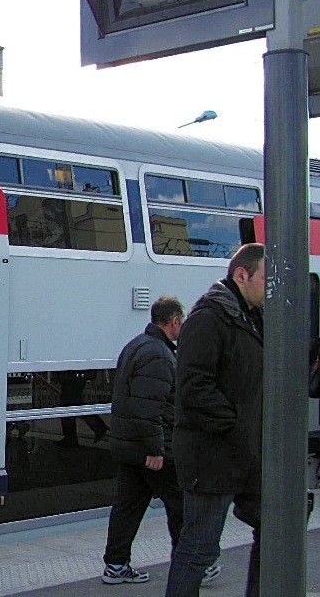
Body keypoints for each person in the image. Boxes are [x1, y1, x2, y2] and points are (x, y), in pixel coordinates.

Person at [165, 243, 265, 597]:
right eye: (266, 279)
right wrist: (236, 423)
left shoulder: (253, 319)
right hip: (211, 457)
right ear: (242, 275)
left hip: (245, 453)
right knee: (199, 549)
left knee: (273, 526)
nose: (272, 289)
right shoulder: (208, 319)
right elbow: (193, 387)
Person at [100, 296, 204, 585]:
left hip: (128, 446)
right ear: (174, 322)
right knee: (181, 505)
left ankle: (116, 565)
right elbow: (151, 407)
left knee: (127, 508)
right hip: (150, 450)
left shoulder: (135, 345)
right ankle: (192, 564)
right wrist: (156, 449)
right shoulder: (158, 354)